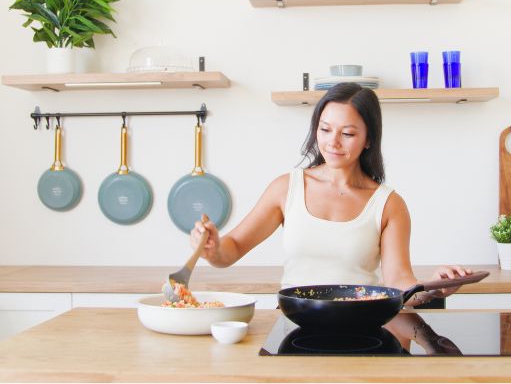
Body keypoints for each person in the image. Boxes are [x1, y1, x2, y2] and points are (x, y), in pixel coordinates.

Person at [190, 82, 471, 305]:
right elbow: (233, 249)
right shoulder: (286, 188)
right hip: (294, 322)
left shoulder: (388, 204)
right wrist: (213, 249)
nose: (332, 142)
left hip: (362, 325)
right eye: (325, 129)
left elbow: (399, 281)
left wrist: (433, 289)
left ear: (369, 139)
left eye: (347, 134)